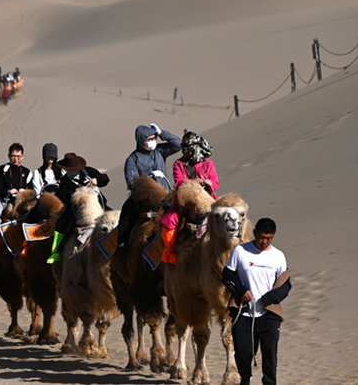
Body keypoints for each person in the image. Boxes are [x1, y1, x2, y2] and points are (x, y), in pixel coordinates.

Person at [222, 218, 291, 385]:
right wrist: (241, 291)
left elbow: (285, 285)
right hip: (244, 314)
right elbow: (227, 276)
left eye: (269, 238)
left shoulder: (278, 256)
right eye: (261, 237)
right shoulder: (241, 251)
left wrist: (268, 299)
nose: (264, 242)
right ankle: (245, 380)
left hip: (269, 314)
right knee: (243, 353)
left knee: (270, 354)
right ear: (255, 233)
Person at [113, 123, 182, 253]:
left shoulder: (160, 152)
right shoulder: (132, 159)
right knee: (127, 210)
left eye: (153, 138)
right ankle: (122, 242)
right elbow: (132, 183)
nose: (152, 142)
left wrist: (161, 133)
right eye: (149, 139)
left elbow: (178, 144)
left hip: (165, 195)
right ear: (141, 141)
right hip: (145, 199)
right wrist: (148, 180)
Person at [159, 131, 219, 264]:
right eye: (183, 146)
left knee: (230, 212)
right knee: (170, 219)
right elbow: (179, 183)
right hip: (186, 199)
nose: (184, 149)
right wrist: (194, 182)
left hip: (208, 198)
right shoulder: (178, 164)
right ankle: (170, 251)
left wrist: (209, 183)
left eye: (187, 146)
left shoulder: (209, 163)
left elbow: (215, 183)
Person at [47, 153, 109, 263]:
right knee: (61, 223)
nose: (72, 171)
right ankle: (57, 251)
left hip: (96, 203)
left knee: (112, 217)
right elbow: (62, 194)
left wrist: (97, 180)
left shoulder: (88, 172)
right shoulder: (65, 180)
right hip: (75, 208)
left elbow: (105, 178)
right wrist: (75, 192)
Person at [0, 143, 32, 249]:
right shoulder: (1, 170)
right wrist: (8, 191)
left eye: (18, 156)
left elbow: (31, 189)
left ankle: (30, 238)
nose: (16, 159)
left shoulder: (27, 172)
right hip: (3, 199)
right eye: (13, 156)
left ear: (22, 156)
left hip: (21, 201)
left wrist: (24, 192)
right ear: (9, 156)